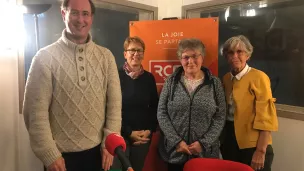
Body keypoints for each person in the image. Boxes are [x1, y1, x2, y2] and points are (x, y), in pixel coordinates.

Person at [22, 0, 122, 171]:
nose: (80, 19)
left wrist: (109, 143)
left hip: (98, 154)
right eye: (74, 13)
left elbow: (114, 105)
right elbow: (35, 114)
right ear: (63, 14)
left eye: (85, 14)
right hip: (60, 159)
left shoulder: (106, 57)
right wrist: (49, 154)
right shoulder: (44, 58)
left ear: (91, 17)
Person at [157, 38, 226, 171]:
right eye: (186, 57)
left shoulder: (214, 83)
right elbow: (161, 113)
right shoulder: (171, 82)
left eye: (195, 56)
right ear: (180, 59)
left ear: (202, 57)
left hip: (204, 153)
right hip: (175, 152)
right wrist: (177, 141)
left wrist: (203, 143)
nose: (190, 61)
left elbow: (220, 116)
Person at [220, 35, 278, 171]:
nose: (235, 56)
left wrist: (260, 151)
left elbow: (266, 118)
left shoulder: (259, 77)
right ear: (226, 56)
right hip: (229, 141)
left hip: (253, 144)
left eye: (240, 52)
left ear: (248, 55)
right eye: (230, 52)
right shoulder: (226, 78)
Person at [112, 36, 159, 171]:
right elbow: (110, 109)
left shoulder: (149, 78)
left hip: (142, 136)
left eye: (139, 50)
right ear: (125, 54)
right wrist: (128, 132)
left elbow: (154, 107)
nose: (136, 54)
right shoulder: (115, 75)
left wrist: (149, 131)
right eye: (132, 50)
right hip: (120, 134)